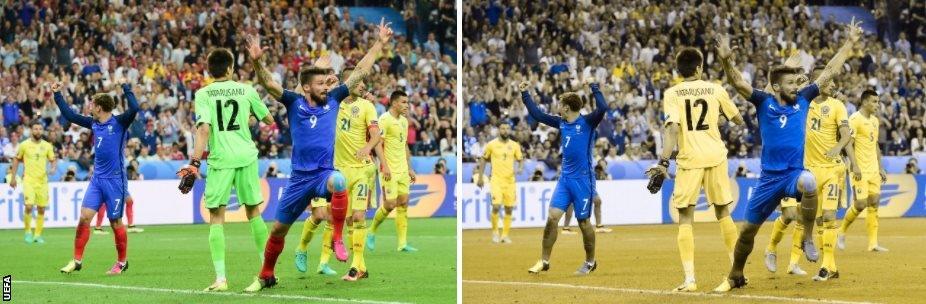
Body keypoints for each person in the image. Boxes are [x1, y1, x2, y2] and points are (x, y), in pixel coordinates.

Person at [712, 19, 861, 292]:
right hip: (769, 178)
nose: (797, 86)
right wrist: (726, 61)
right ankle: (736, 274)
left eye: (797, 82)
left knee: (809, 183)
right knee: (747, 232)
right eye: (791, 83)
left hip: (794, 173)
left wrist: (849, 44)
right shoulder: (763, 101)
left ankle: (806, 238)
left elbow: (829, 71)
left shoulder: (804, 99)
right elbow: (737, 82)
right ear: (777, 87)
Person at [244, 19, 393, 291]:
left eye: (328, 83)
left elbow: (360, 71)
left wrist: (379, 45)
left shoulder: (335, 99)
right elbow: (269, 84)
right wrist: (256, 63)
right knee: (278, 230)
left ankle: (337, 238)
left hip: (324, 173)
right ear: (307, 87)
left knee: (338, 182)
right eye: (322, 84)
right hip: (299, 178)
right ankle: (266, 274)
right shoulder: (293, 102)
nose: (327, 86)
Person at [175, 48, 275, 292]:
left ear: (210, 70)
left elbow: (204, 130)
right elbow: (269, 120)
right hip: (245, 156)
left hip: (220, 160)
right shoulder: (247, 89)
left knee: (216, 217)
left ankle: (221, 279)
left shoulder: (203, 93)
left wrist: (194, 162)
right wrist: (248, 116)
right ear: (231, 68)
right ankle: (267, 272)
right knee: (254, 213)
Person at [646, 47, 744, 292]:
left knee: (685, 218)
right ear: (700, 67)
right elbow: (738, 119)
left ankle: (690, 280)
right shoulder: (716, 88)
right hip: (715, 156)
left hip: (689, 160)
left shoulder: (672, 93)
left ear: (679, 70)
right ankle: (737, 271)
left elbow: (672, 129)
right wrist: (717, 117)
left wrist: (663, 161)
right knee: (723, 213)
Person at [763, 66, 855, 281]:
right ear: (818, 82)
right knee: (793, 216)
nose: (833, 84)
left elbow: (845, 134)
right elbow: (771, 96)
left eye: (833, 80)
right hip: (805, 170)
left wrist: (839, 146)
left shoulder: (838, 106)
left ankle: (827, 266)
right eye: (829, 80)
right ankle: (772, 248)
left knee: (828, 218)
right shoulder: (800, 104)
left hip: (832, 169)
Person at [521, 78, 607, 276]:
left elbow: (603, 107)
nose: (557, 108)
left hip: (583, 180)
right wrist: (525, 94)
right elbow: (537, 114)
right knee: (552, 218)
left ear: (567, 108)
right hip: (565, 179)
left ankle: (590, 261)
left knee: (583, 222)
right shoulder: (561, 123)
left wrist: (594, 87)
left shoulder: (587, 122)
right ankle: (544, 261)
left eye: (560, 105)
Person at [56, 81, 138, 276]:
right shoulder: (93, 123)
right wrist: (57, 94)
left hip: (115, 181)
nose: (89, 107)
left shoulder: (119, 122)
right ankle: (76, 260)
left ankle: (122, 262)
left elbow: (134, 107)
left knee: (115, 222)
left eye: (92, 104)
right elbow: (70, 115)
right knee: (84, 217)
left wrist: (126, 88)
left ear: (99, 107)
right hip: (97, 180)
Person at [838, 90, 889, 253]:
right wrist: (854, 165)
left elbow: (875, 145)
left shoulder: (874, 120)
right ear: (865, 102)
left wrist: (880, 167)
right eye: (874, 101)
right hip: (859, 169)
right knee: (860, 204)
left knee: (874, 203)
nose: (877, 105)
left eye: (878, 101)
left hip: (873, 169)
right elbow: (848, 144)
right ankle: (841, 231)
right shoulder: (855, 119)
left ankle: (873, 243)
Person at [368, 91, 419, 252]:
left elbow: (404, 145)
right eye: (404, 102)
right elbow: (377, 144)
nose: (407, 105)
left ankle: (402, 243)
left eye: (407, 102)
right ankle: (371, 231)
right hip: (389, 169)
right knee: (389, 204)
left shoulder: (404, 121)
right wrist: (385, 166)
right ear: (395, 103)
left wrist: (409, 167)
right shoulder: (384, 120)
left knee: (403, 203)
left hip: (403, 170)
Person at [476, 122, 524, 244]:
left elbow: (520, 159)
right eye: (503, 128)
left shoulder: (514, 145)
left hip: (510, 181)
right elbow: (483, 160)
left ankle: (505, 235)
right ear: (499, 130)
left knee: (509, 209)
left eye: (507, 128)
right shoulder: (491, 145)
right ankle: (495, 233)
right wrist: (480, 177)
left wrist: (520, 168)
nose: (505, 130)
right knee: (496, 206)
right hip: (496, 180)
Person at [10, 122, 57, 244]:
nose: (38, 131)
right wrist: (13, 177)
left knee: (41, 208)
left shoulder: (47, 146)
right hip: (29, 180)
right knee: (29, 206)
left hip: (42, 182)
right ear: (31, 130)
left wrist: (53, 168)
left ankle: (37, 235)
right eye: (35, 129)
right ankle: (27, 232)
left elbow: (53, 160)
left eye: (40, 129)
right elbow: (16, 160)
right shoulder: (24, 145)